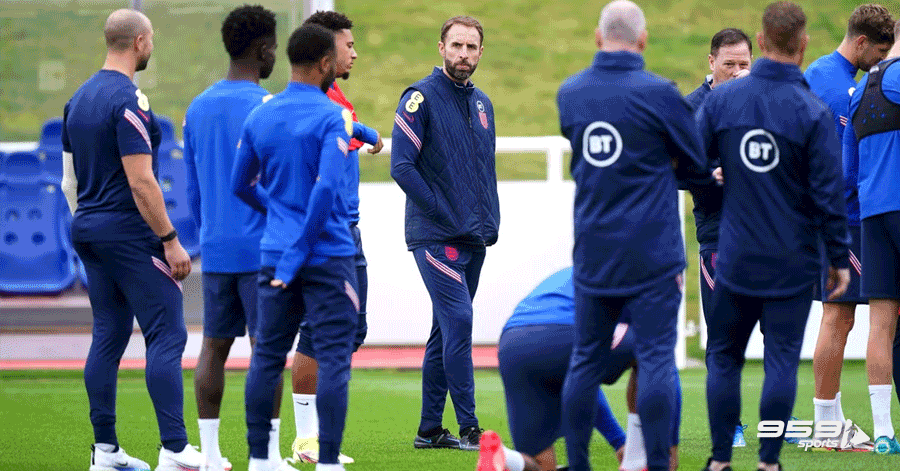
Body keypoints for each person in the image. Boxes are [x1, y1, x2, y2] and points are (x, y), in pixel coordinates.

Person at [556, 2, 718, 470]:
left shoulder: (571, 93)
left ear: (597, 37)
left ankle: (579, 464)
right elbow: (696, 165)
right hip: (653, 253)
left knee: (585, 361)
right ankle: (658, 465)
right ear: (643, 40)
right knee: (656, 361)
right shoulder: (661, 94)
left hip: (594, 250)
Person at [698, 3, 851, 470]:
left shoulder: (721, 101)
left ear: (761, 42)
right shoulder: (812, 111)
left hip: (735, 257)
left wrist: (714, 178)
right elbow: (829, 194)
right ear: (803, 45)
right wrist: (839, 257)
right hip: (792, 261)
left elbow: (687, 162)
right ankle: (768, 462)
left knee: (724, 358)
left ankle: (720, 460)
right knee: (781, 360)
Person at [59, 8, 203, 471]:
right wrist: (170, 238)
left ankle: (105, 452)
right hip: (128, 232)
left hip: (88, 229)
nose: (152, 46)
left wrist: (91, 225)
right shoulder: (130, 99)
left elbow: (68, 183)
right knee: (167, 332)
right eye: (151, 39)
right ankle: (175, 449)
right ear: (140, 41)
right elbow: (141, 180)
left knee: (108, 334)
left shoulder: (77, 99)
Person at [233, 23, 360, 471]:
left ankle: (259, 459)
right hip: (328, 256)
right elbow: (325, 189)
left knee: (267, 358)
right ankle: (327, 462)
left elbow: (240, 185)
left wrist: (280, 218)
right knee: (334, 360)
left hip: (275, 254)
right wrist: (301, 245)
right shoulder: (332, 116)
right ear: (325, 63)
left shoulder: (261, 115)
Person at [181, 5, 291, 471]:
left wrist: (211, 232)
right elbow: (281, 185)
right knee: (267, 352)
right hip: (263, 249)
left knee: (213, 346)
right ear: (263, 49)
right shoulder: (269, 107)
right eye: (274, 48)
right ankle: (265, 457)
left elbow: (193, 190)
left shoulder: (196, 108)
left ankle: (209, 455)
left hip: (216, 247)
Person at [390, 15, 500, 451]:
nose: (463, 54)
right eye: (456, 45)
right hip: (436, 236)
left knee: (444, 332)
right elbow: (402, 166)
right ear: (441, 47)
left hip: (473, 237)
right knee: (459, 322)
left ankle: (430, 430)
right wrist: (441, 212)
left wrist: (489, 221)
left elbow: (484, 172)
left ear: (480, 52)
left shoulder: (483, 104)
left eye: (471, 47)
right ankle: (470, 427)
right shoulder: (419, 98)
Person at [289, 10, 383, 465]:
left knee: (350, 330)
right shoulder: (316, 104)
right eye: (348, 45)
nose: (355, 53)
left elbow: (348, 132)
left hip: (346, 229)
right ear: (327, 53)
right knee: (318, 332)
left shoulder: (336, 99)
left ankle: (314, 437)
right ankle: (307, 439)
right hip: (328, 233)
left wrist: (366, 132)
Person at [475, 267, 682, 471]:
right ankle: (636, 461)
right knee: (652, 354)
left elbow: (581, 382)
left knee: (541, 465)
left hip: (513, 346)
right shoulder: (635, 278)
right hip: (565, 331)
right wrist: (671, 451)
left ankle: (505, 457)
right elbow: (664, 369)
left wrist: (618, 441)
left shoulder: (579, 271)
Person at [804, 4, 895, 435]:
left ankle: (832, 419)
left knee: (844, 315)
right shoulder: (842, 90)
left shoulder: (821, 72)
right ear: (861, 42)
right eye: (879, 52)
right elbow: (843, 167)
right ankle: (825, 424)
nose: (882, 61)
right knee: (839, 315)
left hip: (833, 215)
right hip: (847, 218)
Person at [844, 18, 900, 455]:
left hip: (872, 216)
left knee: (880, 326)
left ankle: (883, 432)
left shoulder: (859, 90)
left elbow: (848, 171)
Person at [685, 28, 753, 109]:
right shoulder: (690, 108)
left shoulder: (760, 100)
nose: (737, 72)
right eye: (729, 64)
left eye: (743, 64)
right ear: (712, 62)